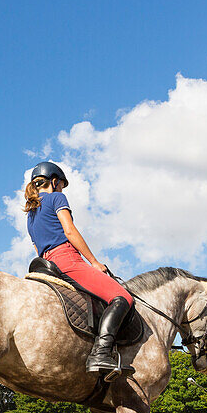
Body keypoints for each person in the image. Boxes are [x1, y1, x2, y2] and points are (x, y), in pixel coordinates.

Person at [24, 161, 134, 377]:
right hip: (66, 258)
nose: (62, 189)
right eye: (61, 185)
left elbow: (37, 247)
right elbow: (70, 232)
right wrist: (94, 262)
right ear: (55, 182)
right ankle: (101, 353)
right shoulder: (57, 197)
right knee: (123, 297)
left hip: (45, 263)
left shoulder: (30, 213)